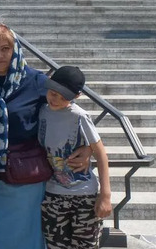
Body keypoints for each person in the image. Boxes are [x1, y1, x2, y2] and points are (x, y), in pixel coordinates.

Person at [0, 23, 91, 249]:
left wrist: (89, 147)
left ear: (16, 49)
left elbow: (68, 114)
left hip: (25, 180)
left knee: (26, 239)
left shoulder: (36, 81)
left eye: (5, 48)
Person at [39, 66, 112, 249]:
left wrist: (105, 195)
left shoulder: (80, 116)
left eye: (63, 97)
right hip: (53, 194)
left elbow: (101, 153)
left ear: (76, 96)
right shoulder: (42, 112)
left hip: (84, 196)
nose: (55, 99)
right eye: (53, 93)